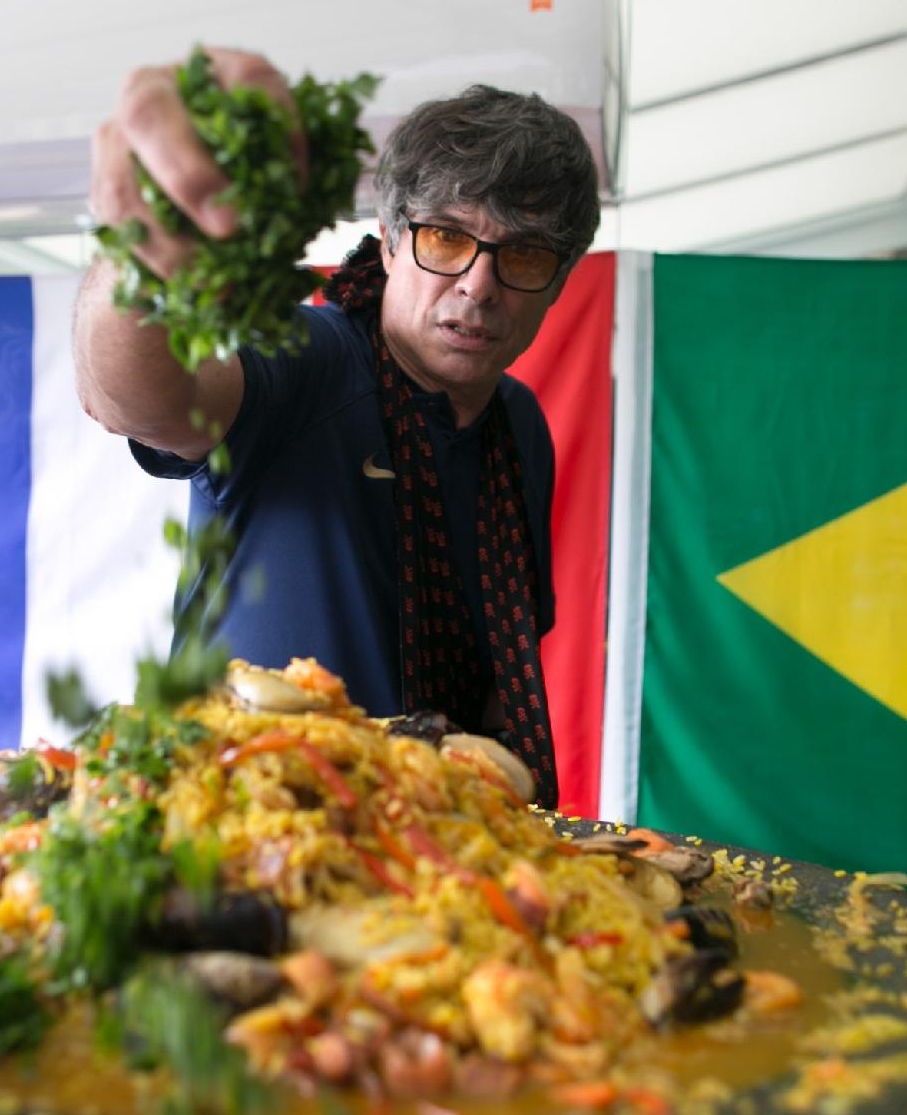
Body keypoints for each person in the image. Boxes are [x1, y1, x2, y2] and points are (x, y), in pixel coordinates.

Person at [75, 48, 600, 807]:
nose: (478, 286)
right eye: (446, 238)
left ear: (559, 280)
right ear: (389, 238)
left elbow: (499, 674)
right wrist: (142, 259)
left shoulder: (520, 425)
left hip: (436, 866)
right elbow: (130, 397)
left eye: (522, 254)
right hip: (234, 836)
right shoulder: (308, 358)